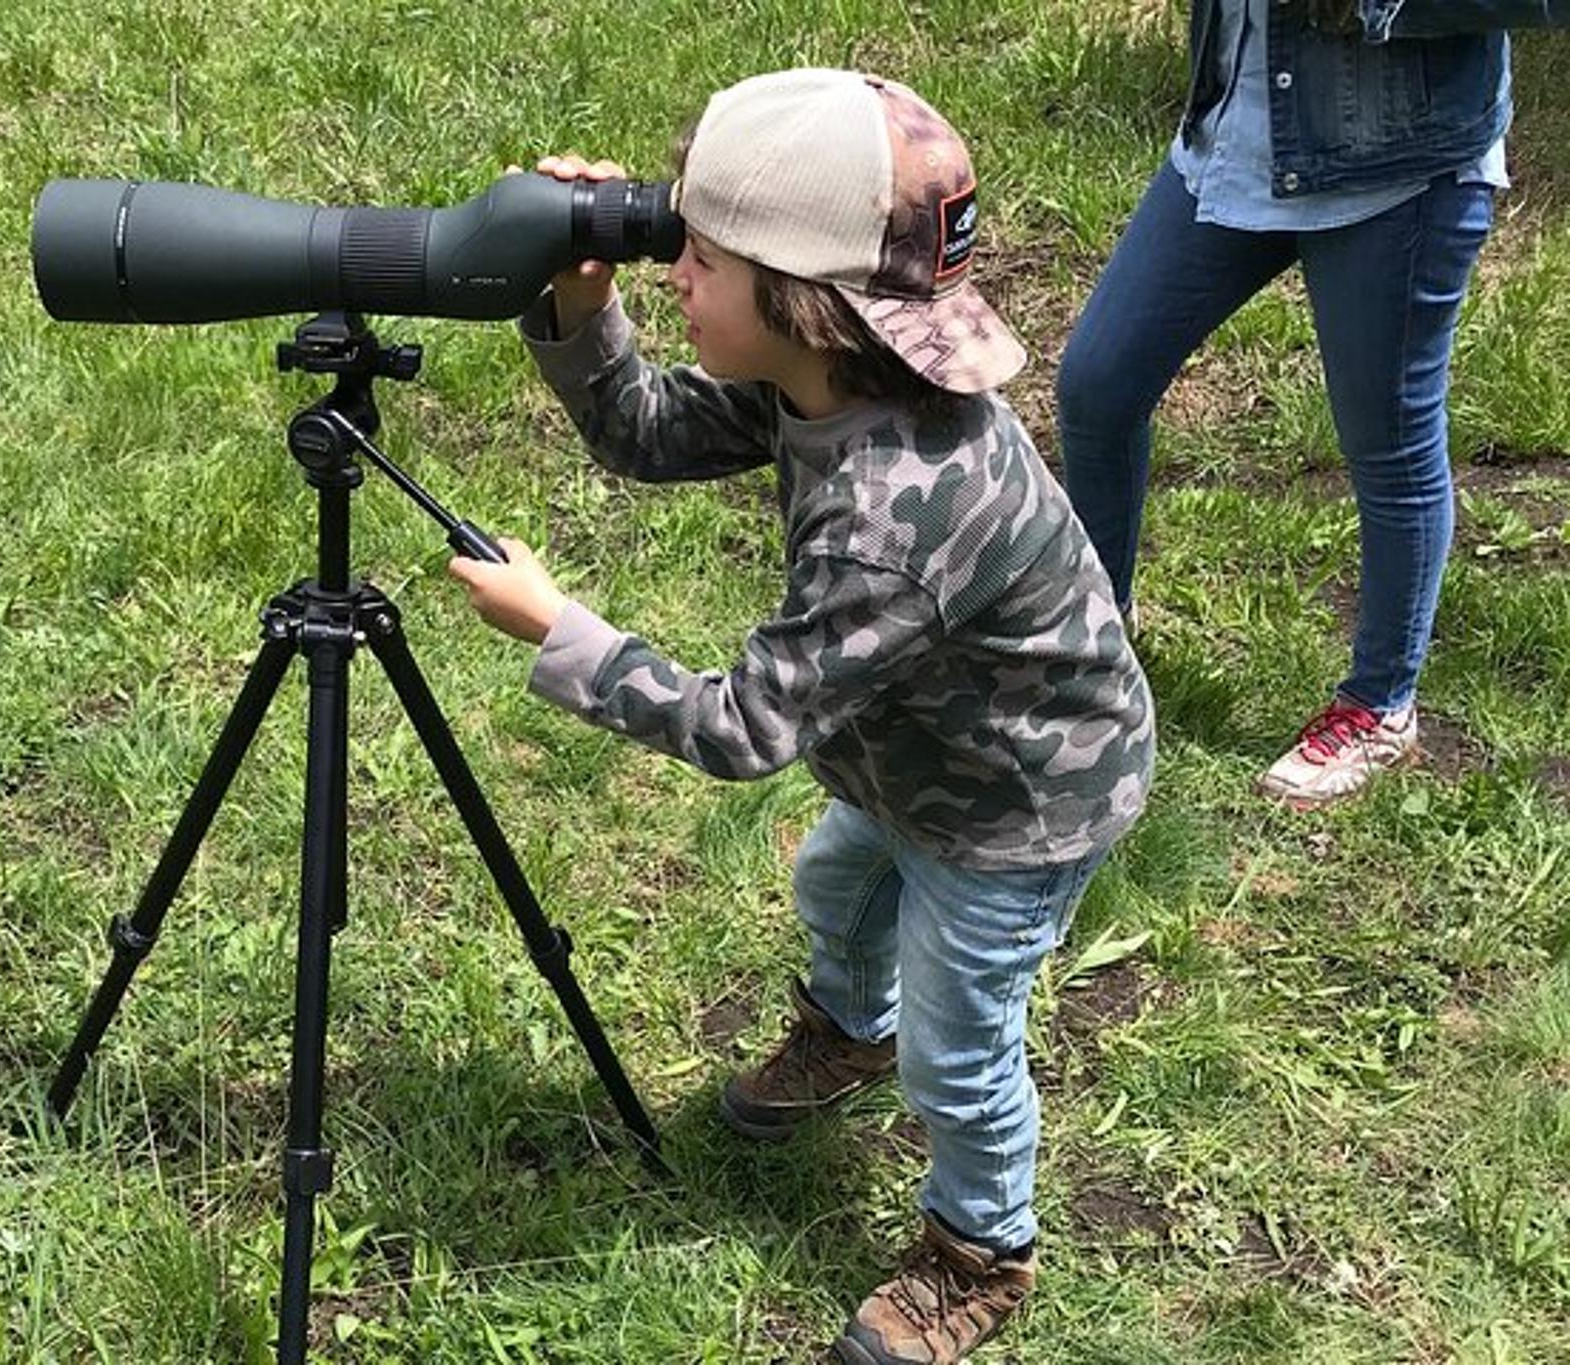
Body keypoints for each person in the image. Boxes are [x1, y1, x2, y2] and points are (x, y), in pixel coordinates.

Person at [446, 69, 1155, 1365]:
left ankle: (979, 1252)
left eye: (701, 257)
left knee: (961, 1040)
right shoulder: (829, 384)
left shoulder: (899, 517)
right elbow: (647, 432)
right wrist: (579, 299)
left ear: (809, 304)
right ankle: (845, 1031)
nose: (677, 275)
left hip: (1017, 808)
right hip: (909, 764)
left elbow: (740, 731)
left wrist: (564, 633)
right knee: (838, 893)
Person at [1057, 0, 1566, 809]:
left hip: (1394, 167)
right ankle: (1092, 631)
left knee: (1390, 442)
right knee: (1098, 383)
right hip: (1233, 133)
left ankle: (1378, 707)